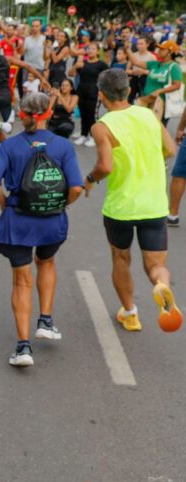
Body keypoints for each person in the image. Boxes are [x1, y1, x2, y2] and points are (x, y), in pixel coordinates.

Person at [0, 93, 84, 366]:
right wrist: (61, 204)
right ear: (48, 112)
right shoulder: (63, 146)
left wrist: (5, 204)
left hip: (18, 220)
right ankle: (46, 320)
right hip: (52, 220)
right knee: (47, 261)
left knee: (21, 280)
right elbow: (76, 187)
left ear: (22, 113)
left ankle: (23, 347)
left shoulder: (10, 146)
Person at [86, 69, 181, 333]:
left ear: (102, 95)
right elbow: (171, 149)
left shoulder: (102, 126)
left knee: (121, 258)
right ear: (128, 91)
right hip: (153, 205)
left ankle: (130, 314)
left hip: (121, 208)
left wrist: (89, 179)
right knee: (156, 265)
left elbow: (105, 166)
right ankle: (161, 286)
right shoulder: (148, 115)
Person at [127, 39, 183, 121]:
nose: (158, 51)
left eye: (162, 49)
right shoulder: (154, 64)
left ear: (170, 52)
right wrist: (127, 49)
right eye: (158, 48)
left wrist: (160, 91)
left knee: (157, 129)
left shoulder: (174, 67)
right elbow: (136, 62)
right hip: (147, 100)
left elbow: (177, 85)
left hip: (162, 104)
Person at [69, 42, 110, 147]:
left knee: (92, 116)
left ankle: (93, 136)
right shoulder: (83, 63)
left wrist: (103, 90)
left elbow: (109, 76)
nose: (90, 50)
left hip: (94, 92)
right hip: (82, 91)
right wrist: (75, 66)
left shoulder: (101, 64)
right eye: (88, 49)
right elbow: (71, 74)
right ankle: (83, 134)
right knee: (83, 114)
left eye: (93, 49)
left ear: (97, 51)